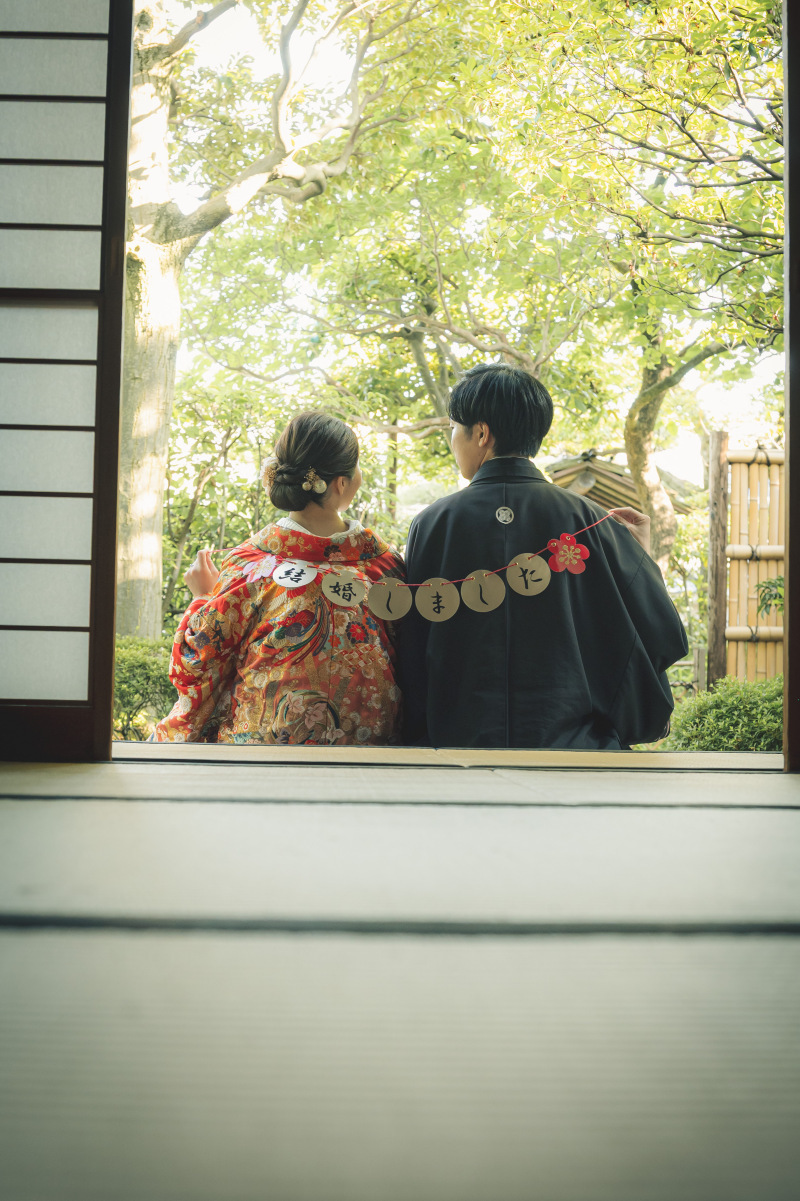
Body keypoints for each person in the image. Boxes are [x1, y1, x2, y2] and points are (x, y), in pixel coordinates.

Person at [398, 363, 688, 749]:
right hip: (577, 750)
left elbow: (412, 648)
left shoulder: (432, 523)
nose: (452, 440)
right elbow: (660, 631)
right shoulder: (588, 520)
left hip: (457, 749)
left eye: (453, 428)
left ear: (481, 433)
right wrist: (640, 558)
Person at [154, 411, 404, 745]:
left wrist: (202, 597)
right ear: (341, 483)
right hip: (369, 755)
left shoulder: (250, 567)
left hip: (264, 757)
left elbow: (196, 663)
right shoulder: (383, 566)